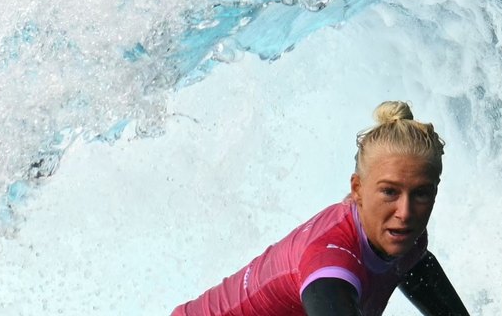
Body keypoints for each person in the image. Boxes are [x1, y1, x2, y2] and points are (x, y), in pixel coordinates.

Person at [172, 101, 469, 316]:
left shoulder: (406, 240)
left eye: (421, 194)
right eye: (389, 192)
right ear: (358, 190)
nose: (405, 212)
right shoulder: (330, 266)